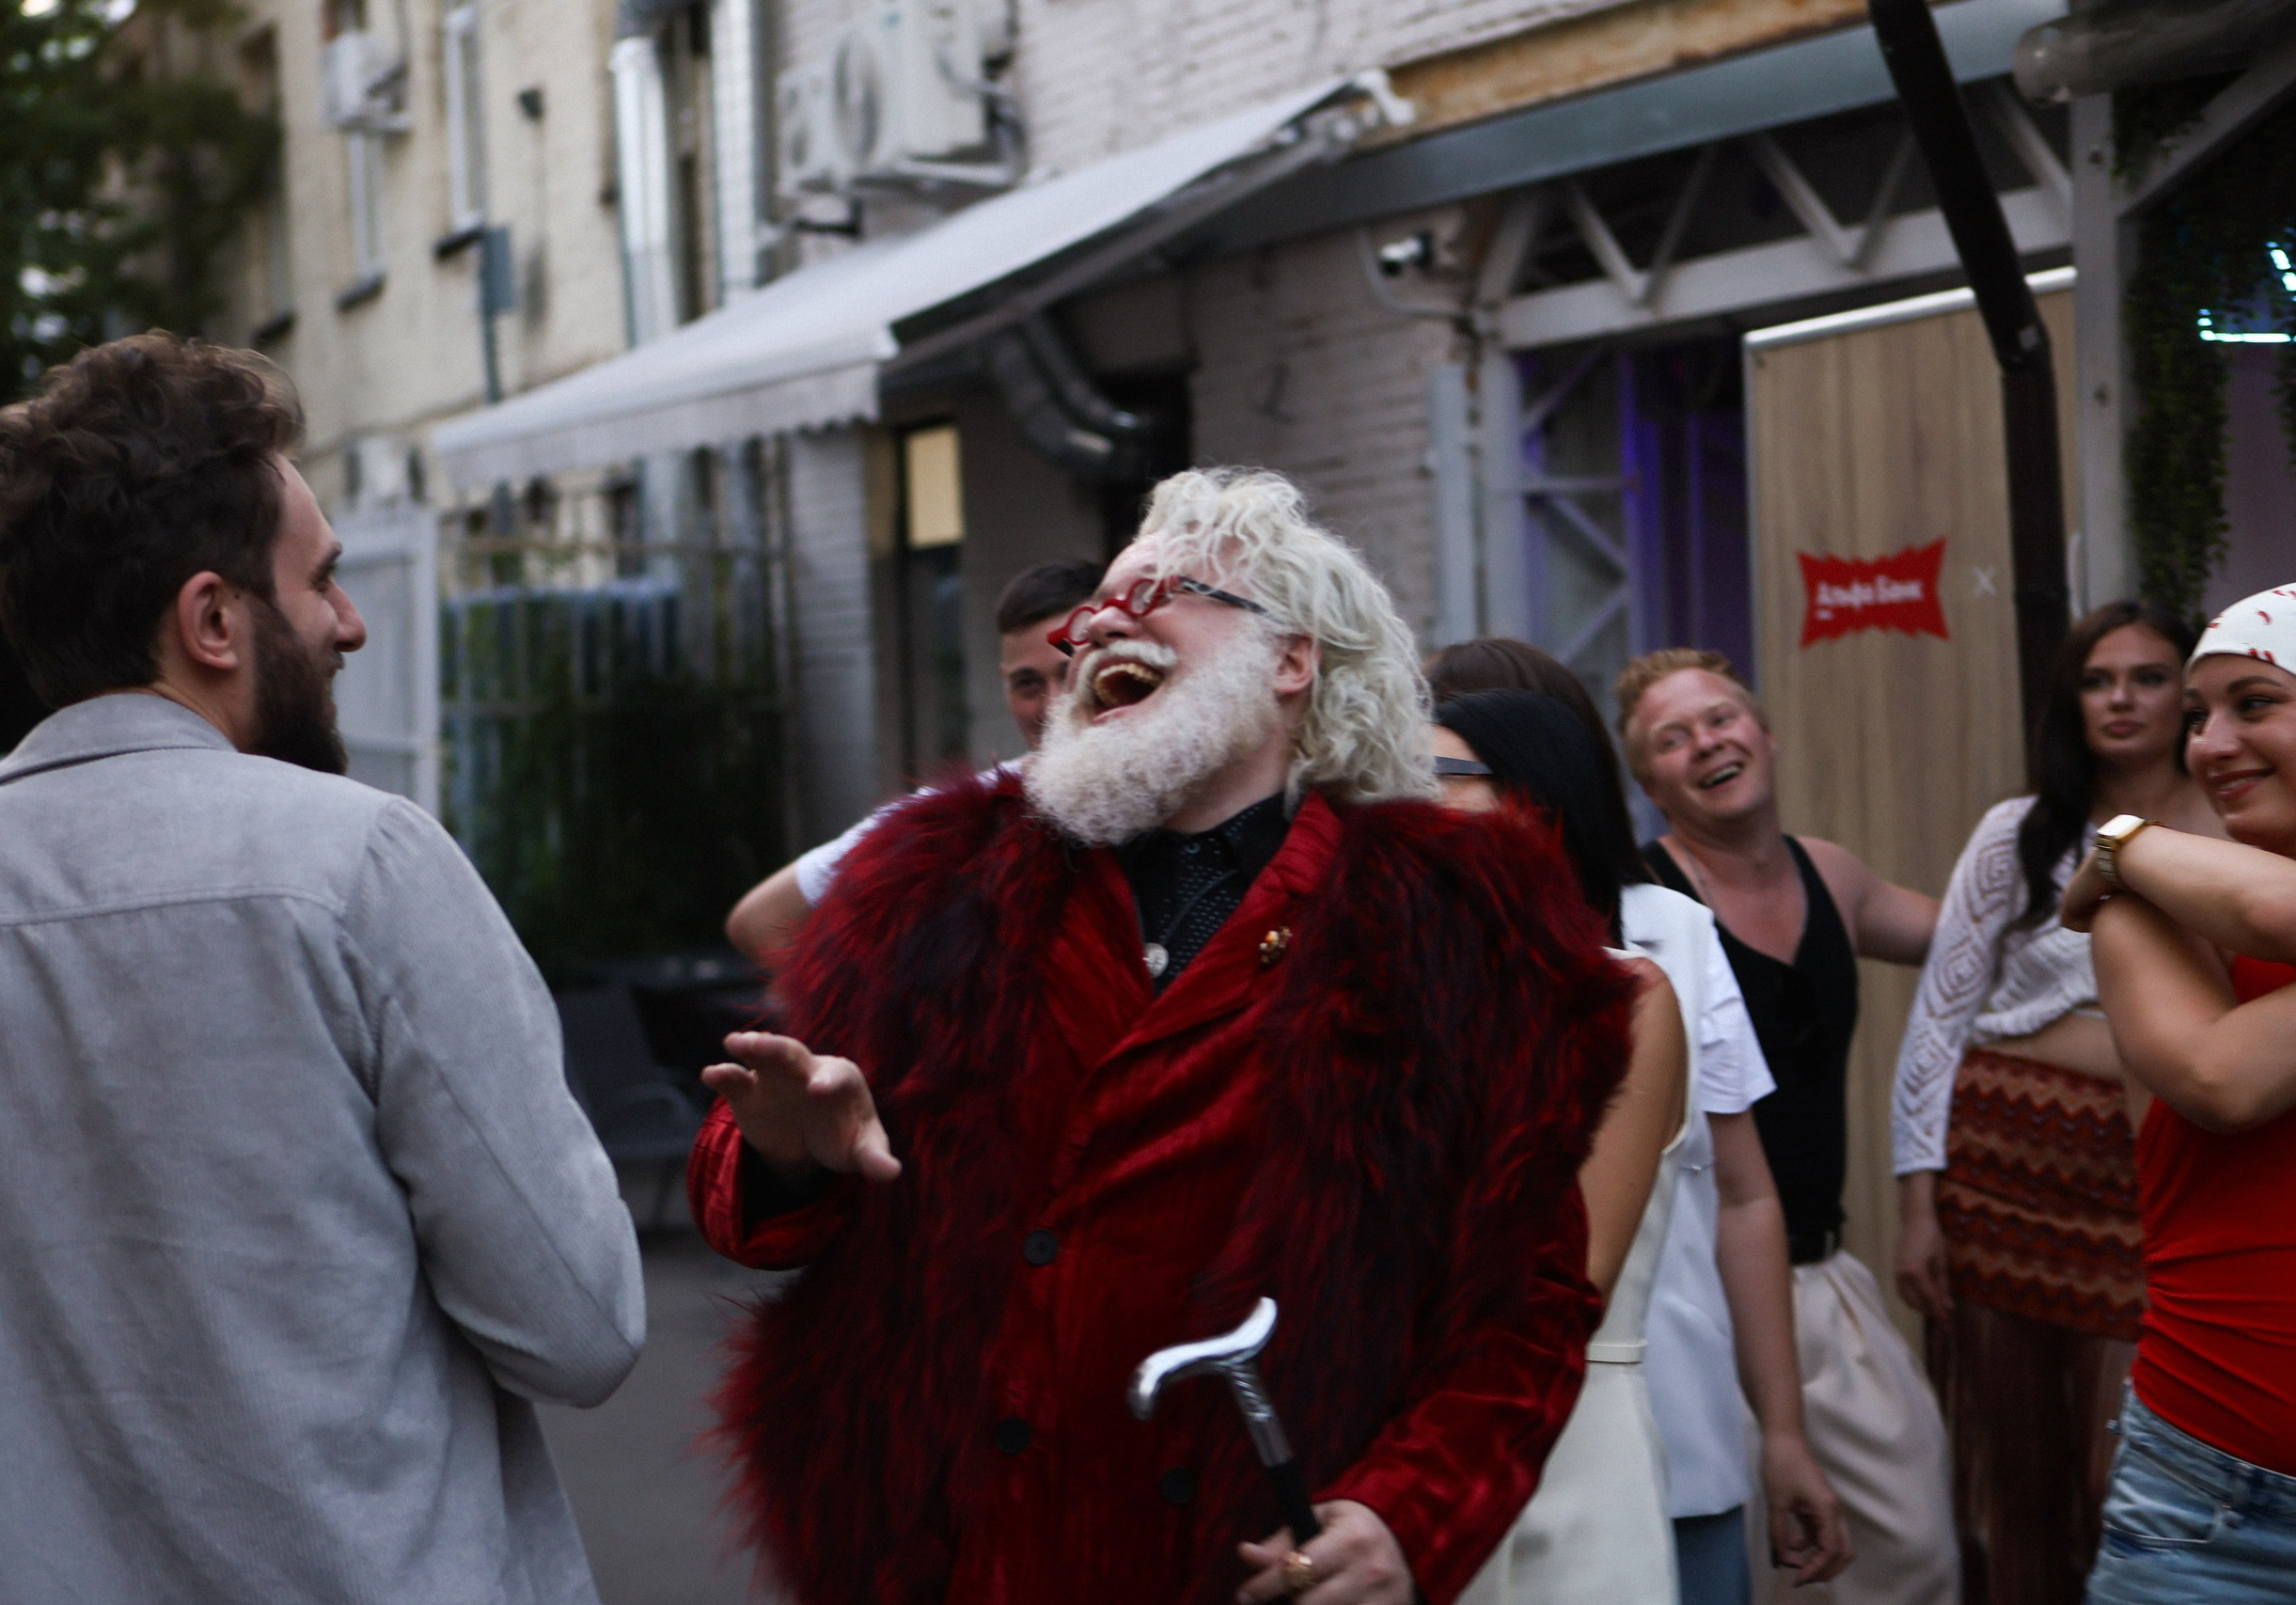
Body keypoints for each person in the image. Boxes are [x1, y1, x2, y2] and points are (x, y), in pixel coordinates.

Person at [685, 468, 1638, 1605]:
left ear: (1292, 663)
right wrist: (787, 1153)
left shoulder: (1453, 934)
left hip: (1239, 1559)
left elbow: (1525, 1309)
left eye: (1166, 590)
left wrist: (1407, 1511)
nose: (1098, 624)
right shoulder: (933, 883)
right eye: (1094, 606)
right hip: (959, 1559)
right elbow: (753, 1216)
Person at [0, 335, 643, 1601]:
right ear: (212, 619)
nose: (349, 624)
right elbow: (580, 1322)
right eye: (323, 581)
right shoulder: (360, 864)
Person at [1427, 638, 1850, 1605]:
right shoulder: (1398, 953)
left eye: (1438, 769)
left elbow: (1742, 1195)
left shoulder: (1667, 936)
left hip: (1658, 1385)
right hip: (1450, 1429)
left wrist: (1780, 1429)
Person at [2055, 580, 2296, 1603]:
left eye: (2252, 704)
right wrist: (2125, 846)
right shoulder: (2150, 906)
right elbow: (2224, 1080)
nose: (2208, 743)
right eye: (2200, 716)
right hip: (2215, 1513)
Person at [1889, 602, 2218, 1605]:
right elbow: (1939, 1017)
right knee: (2024, 1486)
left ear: (2188, 697)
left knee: (2122, 1475)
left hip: (2147, 1185)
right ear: (2069, 701)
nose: (2120, 699)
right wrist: (1916, 1203)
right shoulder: (2017, 833)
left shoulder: (2236, 830)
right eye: (2096, 679)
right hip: (1996, 1181)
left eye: (2148, 677)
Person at [1617, 646, 1957, 1605]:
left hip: (1821, 1279)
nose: (1707, 744)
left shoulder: (1832, 876)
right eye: (1671, 740)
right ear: (1649, 785)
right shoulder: (1645, 912)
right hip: (1696, 1300)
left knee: (1915, 1554)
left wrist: (2113, 861)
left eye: (1720, 719)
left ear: (1764, 733)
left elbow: (1970, 938)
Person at [724, 556, 1103, 961]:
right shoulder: (963, 816)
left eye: (1070, 674)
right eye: (1027, 684)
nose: (1053, 705)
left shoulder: (1174, 799)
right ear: (1003, 683)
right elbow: (760, 921)